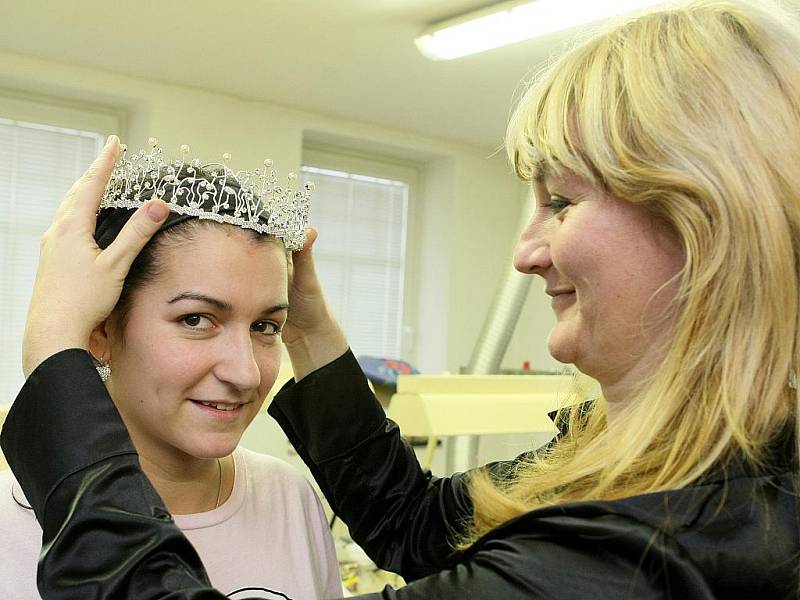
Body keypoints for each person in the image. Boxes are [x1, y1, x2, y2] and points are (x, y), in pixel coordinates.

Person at [3, 0, 800, 597]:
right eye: (197, 319)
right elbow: (424, 526)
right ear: (110, 328)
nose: (526, 252)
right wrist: (305, 328)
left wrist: (55, 360)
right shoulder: (695, 470)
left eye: (561, 202)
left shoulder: (667, 539)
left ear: (703, 219)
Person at [0, 140, 341, 599]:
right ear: (100, 329)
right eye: (196, 319)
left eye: (266, 325)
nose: (246, 374)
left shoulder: (288, 498)